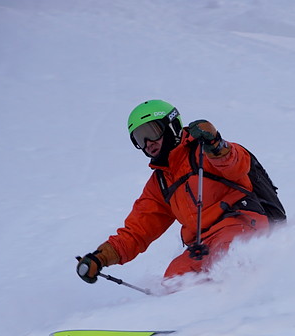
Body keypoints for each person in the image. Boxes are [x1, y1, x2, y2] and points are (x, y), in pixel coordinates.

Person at [76, 99, 270, 286]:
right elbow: (136, 232)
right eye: (139, 138)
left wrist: (215, 144)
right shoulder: (160, 183)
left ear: (171, 126)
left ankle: (248, 299)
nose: (147, 142)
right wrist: (100, 258)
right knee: (174, 279)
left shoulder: (203, 151)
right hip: (203, 246)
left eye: (151, 132)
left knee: (225, 256)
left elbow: (236, 165)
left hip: (240, 225)